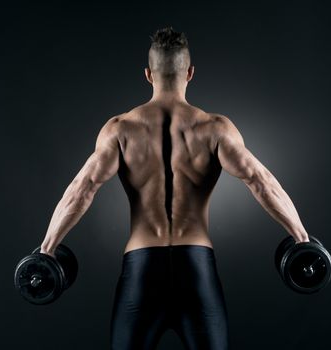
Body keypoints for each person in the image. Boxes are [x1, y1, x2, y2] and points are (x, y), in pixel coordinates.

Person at [39, 26, 310, 350]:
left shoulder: (121, 130)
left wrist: (47, 248)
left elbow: (82, 188)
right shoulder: (214, 129)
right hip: (195, 270)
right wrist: (301, 237)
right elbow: (259, 180)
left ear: (148, 74)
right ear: (190, 73)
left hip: (141, 271)